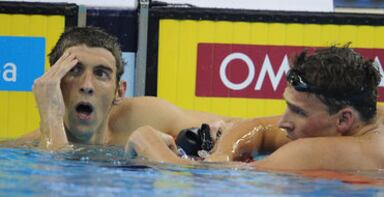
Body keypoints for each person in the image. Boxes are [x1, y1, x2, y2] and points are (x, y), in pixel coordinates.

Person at [126, 44, 384, 170]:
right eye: (288, 107)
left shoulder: (312, 153)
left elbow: (197, 182)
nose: (284, 122)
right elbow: (261, 128)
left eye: (299, 112)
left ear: (343, 119)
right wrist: (223, 154)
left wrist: (145, 138)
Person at [3, 26, 238, 151]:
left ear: (119, 91)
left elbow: (240, 127)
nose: (86, 86)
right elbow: (54, 182)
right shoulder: (30, 145)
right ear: (53, 82)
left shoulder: (143, 118)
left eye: (101, 74)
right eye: (74, 70)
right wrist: (51, 120)